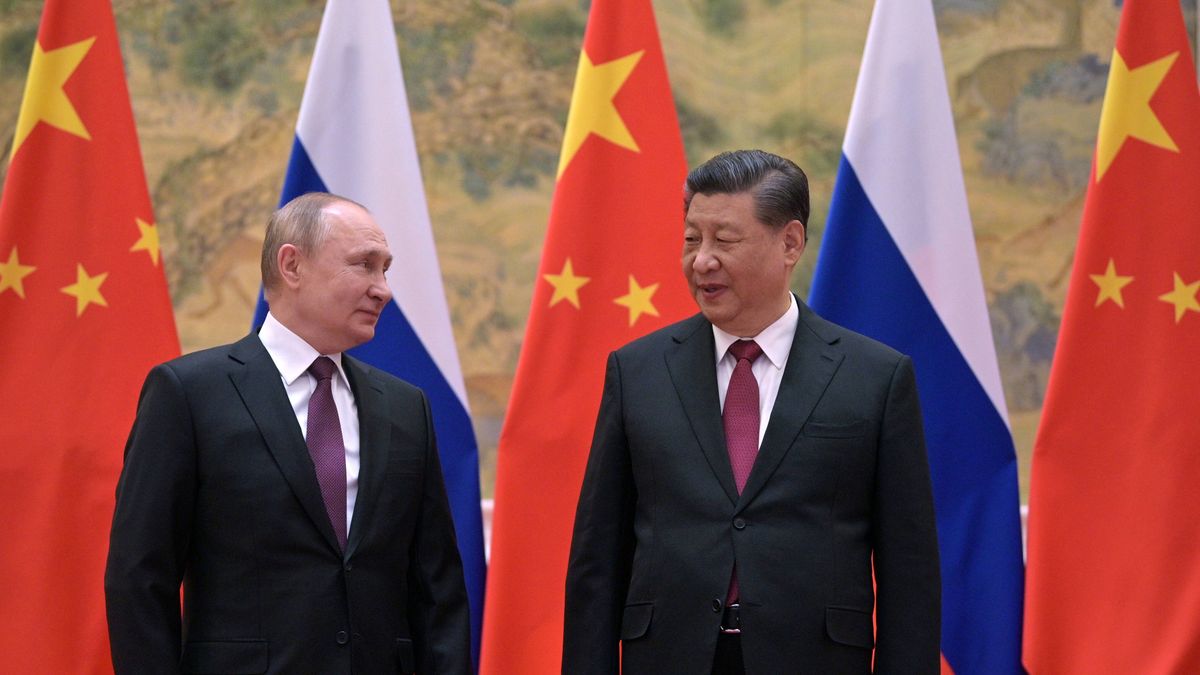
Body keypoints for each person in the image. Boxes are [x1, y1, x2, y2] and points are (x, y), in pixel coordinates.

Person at [562, 150, 940, 674]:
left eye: (725, 240)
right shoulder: (638, 371)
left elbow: (909, 571)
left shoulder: (874, 377)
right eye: (692, 239)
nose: (702, 261)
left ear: (790, 243)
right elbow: (597, 559)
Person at [105, 192, 471, 674]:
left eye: (385, 269)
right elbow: (139, 579)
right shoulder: (189, 395)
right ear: (292, 265)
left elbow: (438, 589)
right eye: (364, 265)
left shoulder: (405, 408)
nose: (383, 290)